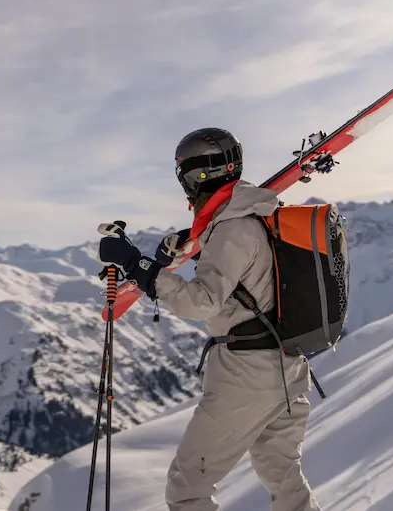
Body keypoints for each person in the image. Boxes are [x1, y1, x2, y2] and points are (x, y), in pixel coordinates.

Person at [97, 127, 321, 511]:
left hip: (246, 376)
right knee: (284, 480)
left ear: (194, 177)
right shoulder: (258, 215)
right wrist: (186, 243)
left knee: (188, 487)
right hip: (286, 367)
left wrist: (137, 265)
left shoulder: (233, 229)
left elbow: (202, 303)